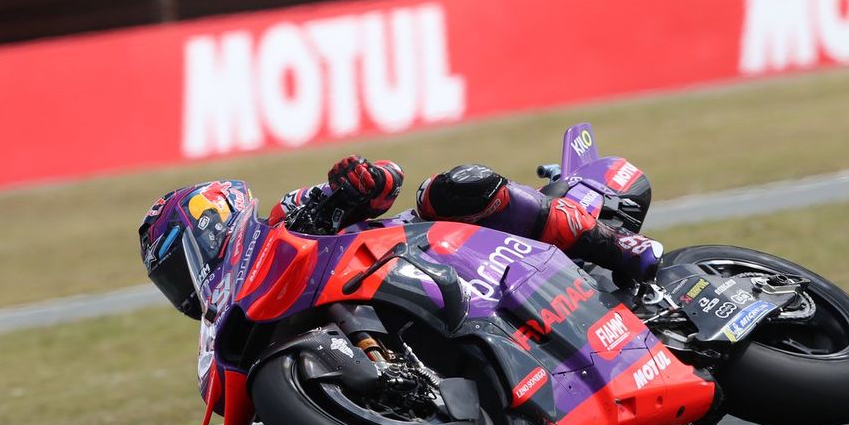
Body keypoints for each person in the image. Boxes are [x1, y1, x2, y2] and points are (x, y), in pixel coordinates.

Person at [139, 156, 661, 319]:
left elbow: (386, 181)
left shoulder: (282, 220)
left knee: (457, 187)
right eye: (171, 281)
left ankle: (610, 245)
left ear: (209, 227)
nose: (183, 286)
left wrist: (358, 181)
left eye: (179, 267)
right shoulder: (243, 310)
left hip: (415, 250)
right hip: (395, 308)